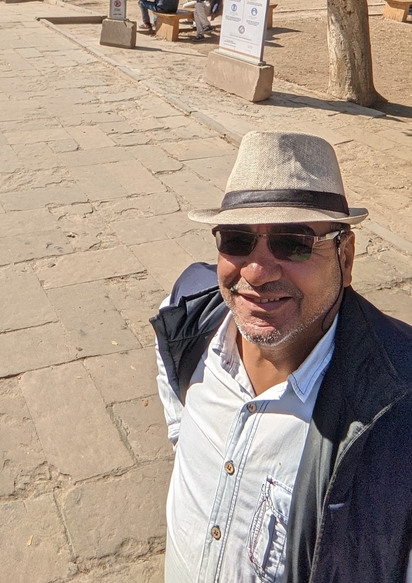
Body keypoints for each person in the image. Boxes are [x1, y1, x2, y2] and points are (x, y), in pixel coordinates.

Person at [152, 129, 412, 583]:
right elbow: (172, 387)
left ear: (345, 258)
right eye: (236, 240)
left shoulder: (396, 412)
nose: (255, 270)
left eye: (293, 242)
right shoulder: (189, 314)